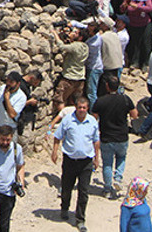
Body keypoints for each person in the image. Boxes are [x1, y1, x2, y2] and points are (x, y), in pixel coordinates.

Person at [51, 96, 100, 232]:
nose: (81, 110)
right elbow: (57, 136)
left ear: (87, 108)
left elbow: (96, 141)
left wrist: (97, 158)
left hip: (86, 162)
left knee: (83, 191)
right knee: (66, 188)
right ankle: (65, 207)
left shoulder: (92, 122)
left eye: (84, 108)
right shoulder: (67, 120)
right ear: (76, 107)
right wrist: (54, 152)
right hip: (70, 161)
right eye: (79, 108)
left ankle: (80, 219)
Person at [92, 73, 138, 200]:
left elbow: (93, 118)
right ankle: (118, 178)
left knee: (107, 163)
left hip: (106, 136)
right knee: (121, 157)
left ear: (107, 86)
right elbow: (134, 115)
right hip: (122, 136)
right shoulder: (125, 99)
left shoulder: (100, 101)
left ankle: (107, 189)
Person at [52, 27, 89, 113]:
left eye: (76, 33)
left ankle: (64, 119)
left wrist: (55, 34)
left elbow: (61, 47)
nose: (73, 34)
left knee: (60, 99)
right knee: (74, 101)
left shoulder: (76, 45)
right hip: (80, 79)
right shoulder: (86, 47)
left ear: (80, 37)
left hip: (69, 78)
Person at [0, 72, 28, 140]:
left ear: (18, 84)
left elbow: (12, 114)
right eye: (7, 81)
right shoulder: (2, 88)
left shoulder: (21, 97)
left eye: (11, 82)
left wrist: (7, 98)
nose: (8, 84)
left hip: (10, 127)